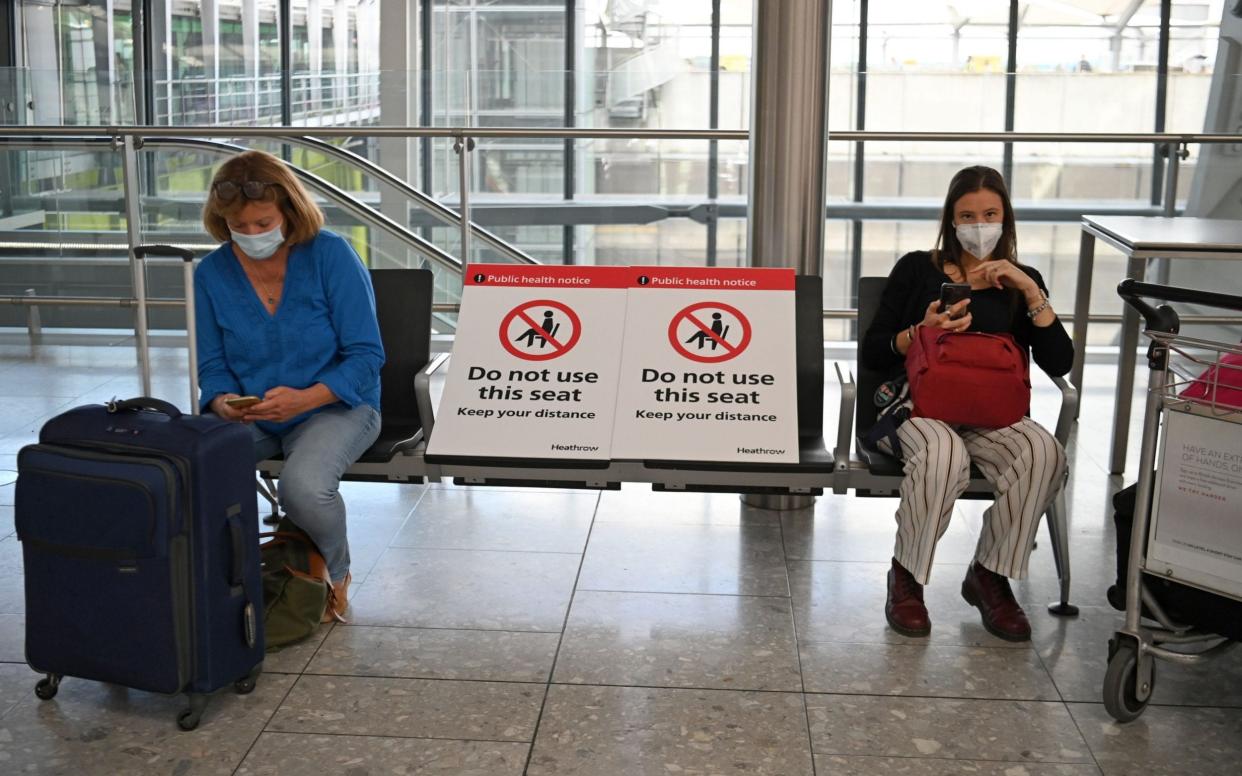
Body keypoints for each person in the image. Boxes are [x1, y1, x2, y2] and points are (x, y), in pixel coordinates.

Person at [860, 165, 1073, 642]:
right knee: (943, 455)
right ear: (951, 220)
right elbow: (874, 350)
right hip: (918, 407)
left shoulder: (1023, 281)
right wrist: (922, 331)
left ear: (1006, 217)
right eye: (968, 215)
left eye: (990, 213)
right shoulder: (918, 268)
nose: (980, 224)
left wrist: (1032, 293)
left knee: (1045, 453)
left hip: (993, 413)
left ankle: (989, 575)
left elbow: (1060, 359)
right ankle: (907, 578)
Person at [196, 149, 384, 622]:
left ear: (289, 212)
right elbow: (213, 365)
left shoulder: (331, 255)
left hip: (338, 406)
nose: (253, 236)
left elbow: (367, 356)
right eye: (241, 227)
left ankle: (334, 573)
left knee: (302, 488)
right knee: (193, 469)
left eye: (263, 223)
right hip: (255, 413)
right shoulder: (211, 273)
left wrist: (308, 397)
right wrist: (221, 402)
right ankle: (221, 580)